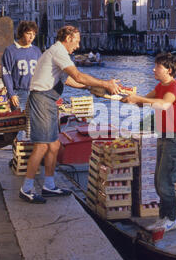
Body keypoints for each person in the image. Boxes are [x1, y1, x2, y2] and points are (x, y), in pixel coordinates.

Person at [19, 25, 121, 204]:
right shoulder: (58, 51)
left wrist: (91, 87)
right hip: (42, 100)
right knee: (42, 146)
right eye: (77, 41)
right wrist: (105, 84)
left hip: (48, 100)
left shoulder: (57, 52)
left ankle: (49, 185)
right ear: (67, 38)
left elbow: (69, 80)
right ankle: (26, 188)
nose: (78, 45)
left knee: (55, 146)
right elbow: (78, 76)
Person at [121, 53, 176, 232]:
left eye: (157, 66)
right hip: (164, 135)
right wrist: (127, 96)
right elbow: (144, 102)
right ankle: (163, 218)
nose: (154, 69)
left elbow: (164, 104)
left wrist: (138, 99)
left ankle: (171, 219)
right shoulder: (161, 86)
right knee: (159, 181)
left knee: (165, 181)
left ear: (169, 70)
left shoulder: (175, 87)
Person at [2, 21, 41, 112]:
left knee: (35, 123)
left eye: (34, 34)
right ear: (21, 33)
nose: (31, 37)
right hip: (19, 93)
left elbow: (42, 72)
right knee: (22, 121)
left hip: (35, 92)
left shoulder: (36, 51)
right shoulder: (10, 51)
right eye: (28, 33)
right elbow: (6, 74)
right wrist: (11, 94)